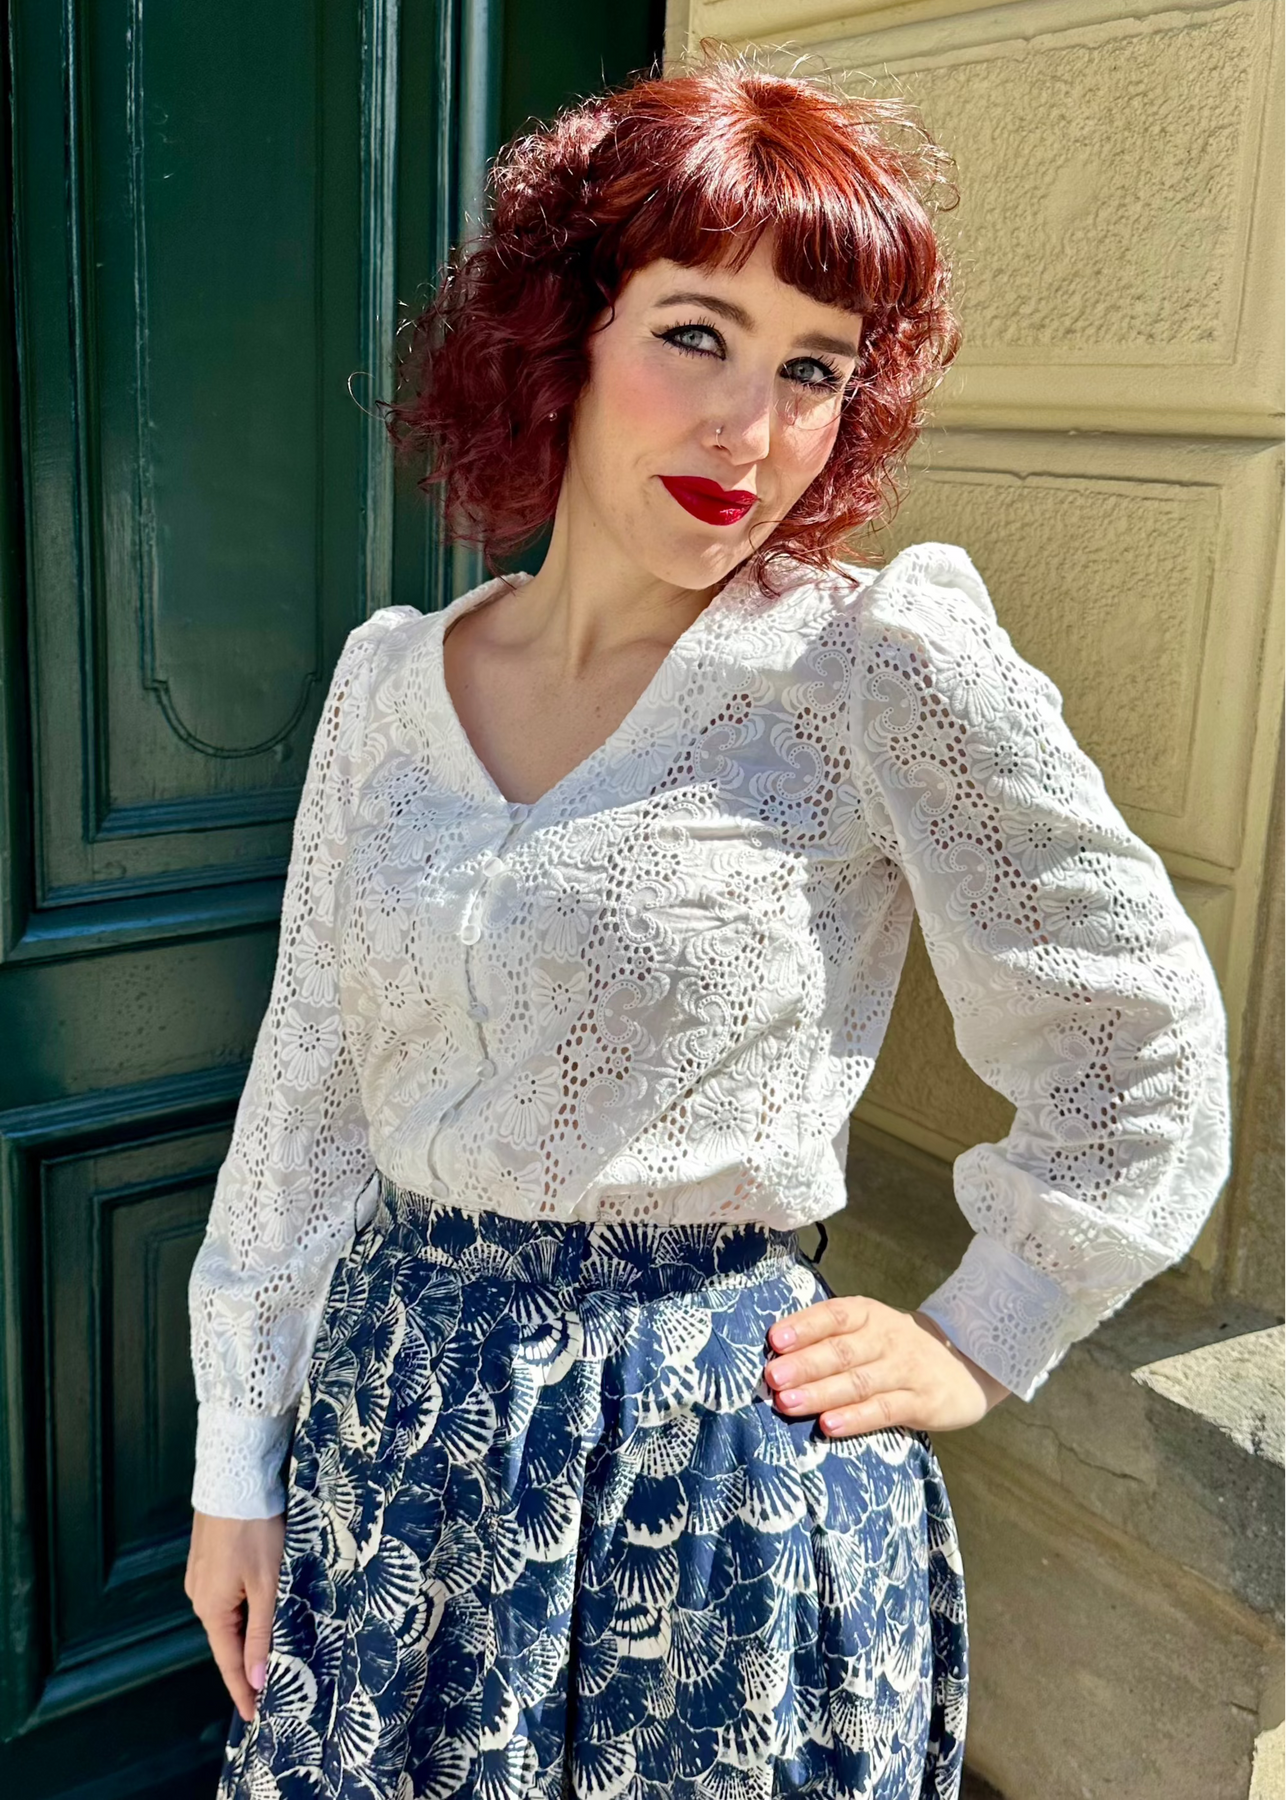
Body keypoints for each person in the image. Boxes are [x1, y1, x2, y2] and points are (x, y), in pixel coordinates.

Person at [183, 53, 1232, 1800]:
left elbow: (1135, 1034)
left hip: (709, 1492)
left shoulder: (869, 667)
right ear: (564, 337)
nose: (750, 429)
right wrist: (238, 1460)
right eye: (696, 334)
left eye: (811, 368)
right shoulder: (388, 684)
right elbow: (311, 1080)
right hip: (395, 1451)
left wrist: (982, 1329)